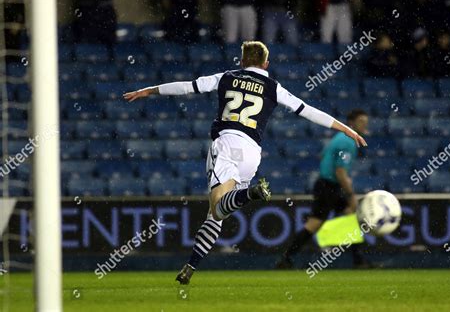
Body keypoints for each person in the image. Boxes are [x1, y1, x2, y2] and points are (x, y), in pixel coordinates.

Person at [123, 41, 367, 285]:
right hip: (252, 153)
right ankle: (190, 267)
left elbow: (187, 87)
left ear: (241, 61)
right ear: (266, 64)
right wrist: (345, 128)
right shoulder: (273, 86)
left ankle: (251, 194)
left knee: (217, 208)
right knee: (217, 215)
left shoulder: (226, 77)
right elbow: (307, 110)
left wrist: (150, 90)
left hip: (227, 143)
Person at [276, 109, 369, 269]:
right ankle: (286, 259)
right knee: (315, 223)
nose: (365, 125)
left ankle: (359, 261)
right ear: (351, 123)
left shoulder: (340, 137)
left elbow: (325, 157)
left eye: (366, 122)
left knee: (350, 216)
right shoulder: (347, 141)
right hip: (328, 186)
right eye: (361, 121)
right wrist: (351, 194)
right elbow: (340, 171)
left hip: (328, 185)